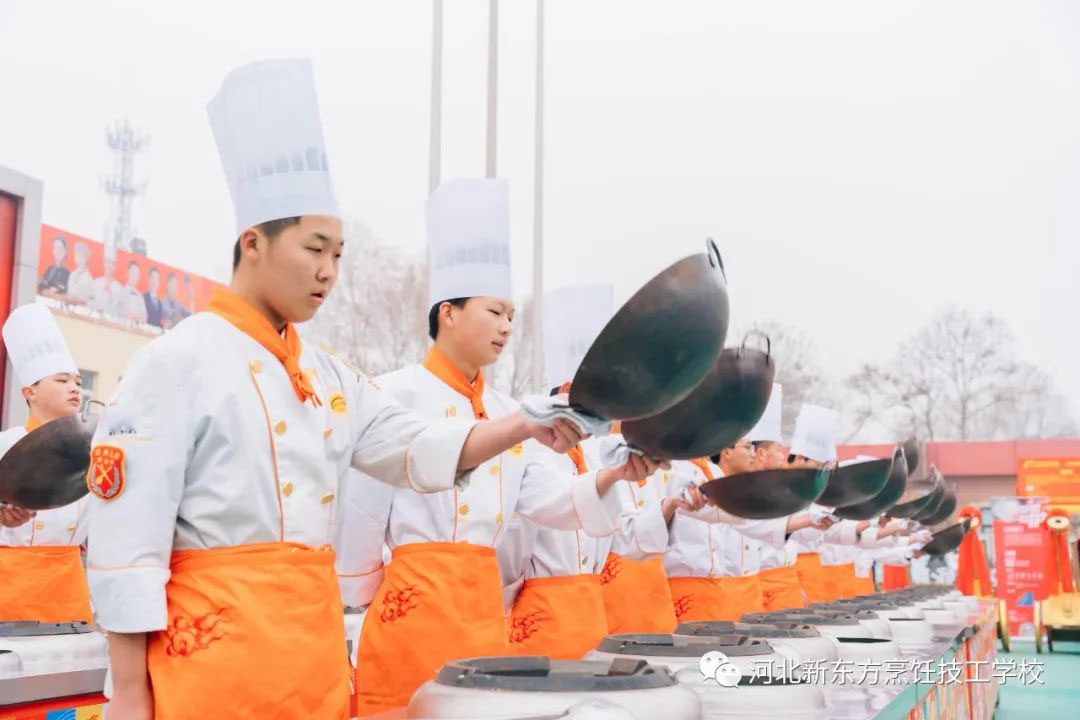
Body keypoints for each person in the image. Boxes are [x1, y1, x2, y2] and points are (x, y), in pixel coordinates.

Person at [86, 59, 576, 720]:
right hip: (209, 664)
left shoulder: (328, 375)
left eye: (339, 255)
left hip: (310, 658)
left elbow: (414, 448)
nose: (328, 272)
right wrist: (132, 696)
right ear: (252, 243)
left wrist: (524, 424)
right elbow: (128, 546)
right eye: (315, 249)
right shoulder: (176, 362)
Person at [340, 179, 642, 715]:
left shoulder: (510, 413)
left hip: (484, 612)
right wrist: (361, 594)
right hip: (411, 612)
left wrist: (614, 477)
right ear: (447, 312)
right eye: (494, 312)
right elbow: (362, 511)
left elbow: (550, 501)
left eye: (511, 316)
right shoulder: (392, 392)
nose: (505, 327)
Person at [0, 303, 92, 624]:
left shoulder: (92, 453)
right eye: (62, 380)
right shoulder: (3, 446)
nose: (74, 388)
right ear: (30, 391)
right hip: (6, 589)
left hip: (66, 593)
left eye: (78, 382)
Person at [88, 246, 123, 316]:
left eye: (112, 263)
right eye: (107, 262)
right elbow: (89, 302)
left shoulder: (120, 289)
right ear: (104, 263)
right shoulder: (96, 283)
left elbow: (120, 312)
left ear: (115, 265)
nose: (109, 265)